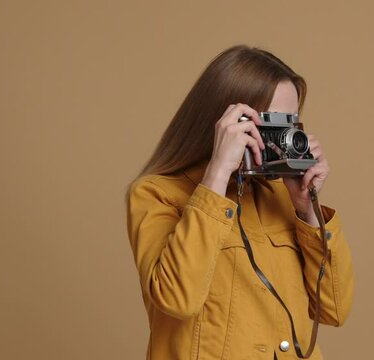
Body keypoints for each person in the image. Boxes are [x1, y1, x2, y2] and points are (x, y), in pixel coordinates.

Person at [126, 45, 354, 360]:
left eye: (287, 123)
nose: (281, 137)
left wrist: (307, 209)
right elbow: (177, 300)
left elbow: (335, 309)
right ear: (223, 120)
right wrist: (217, 174)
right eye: (268, 123)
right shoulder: (157, 193)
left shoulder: (284, 198)